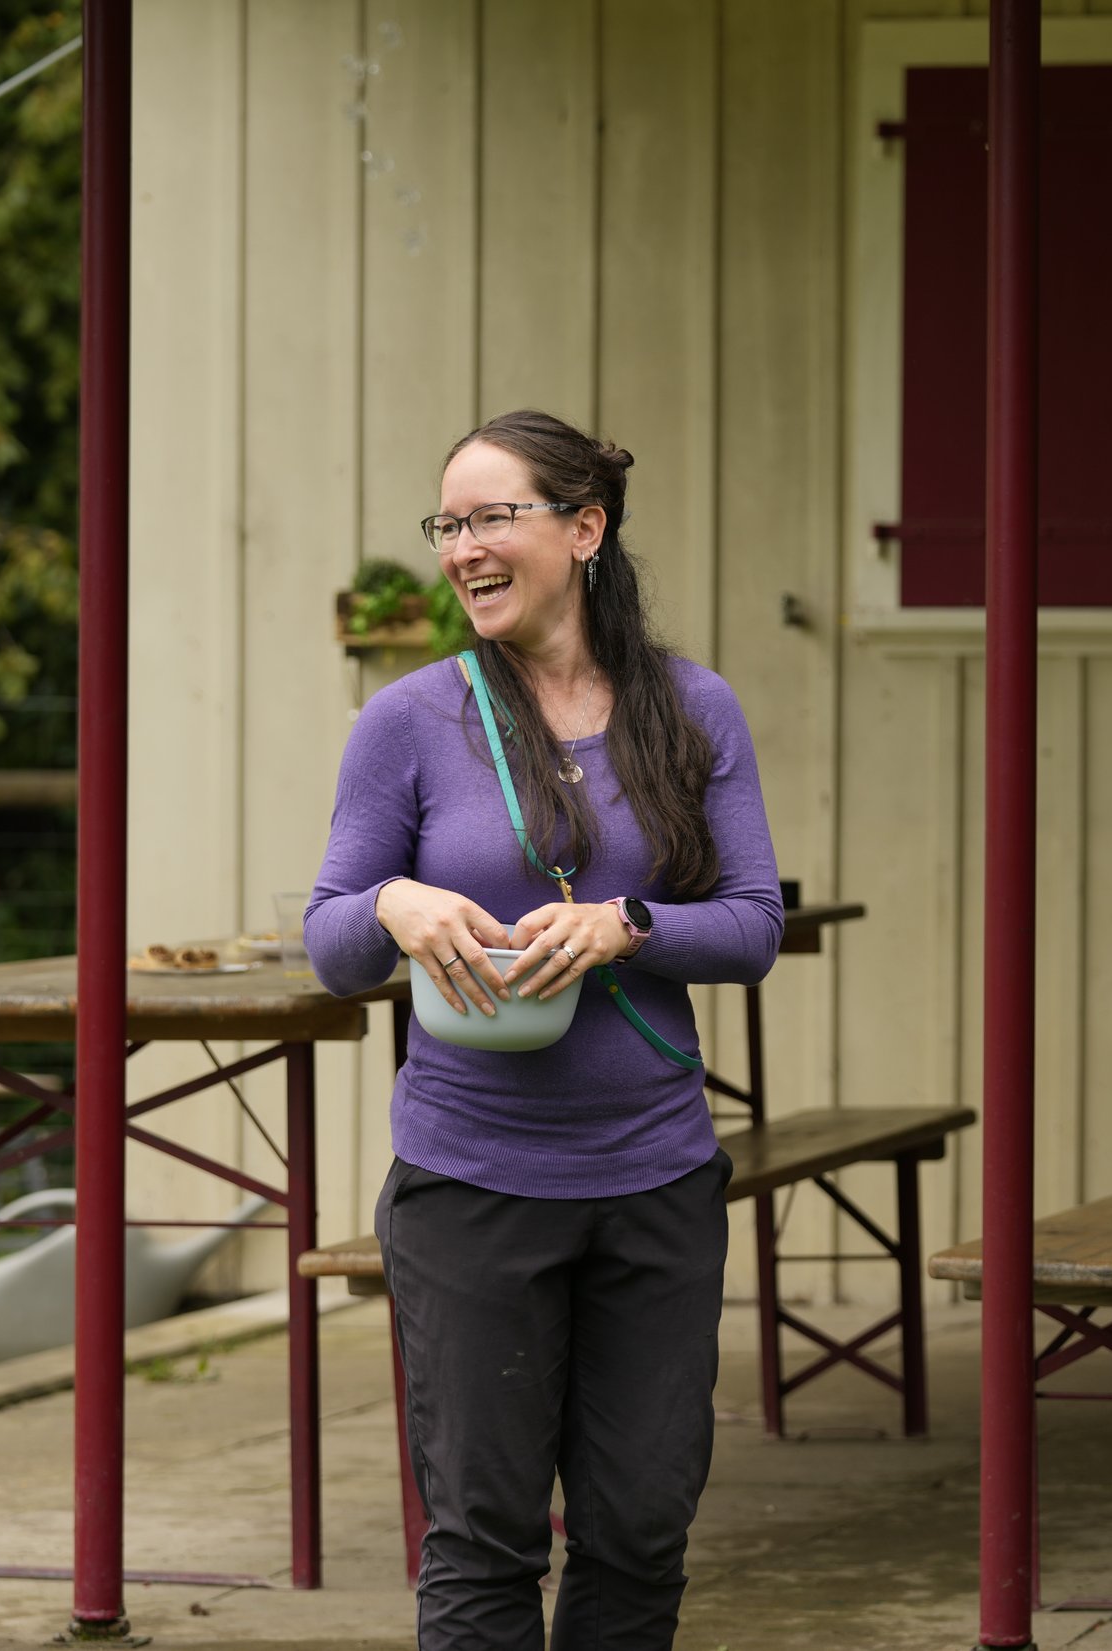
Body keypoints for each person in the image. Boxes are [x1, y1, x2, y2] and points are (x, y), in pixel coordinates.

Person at [305, 408, 783, 1649]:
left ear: (583, 529)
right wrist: (393, 902)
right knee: (484, 1540)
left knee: (640, 1531)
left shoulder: (692, 707)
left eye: (491, 517)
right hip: (471, 1190)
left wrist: (629, 924)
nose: (462, 547)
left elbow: (752, 926)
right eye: (447, 524)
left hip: (655, 1182)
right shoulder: (409, 719)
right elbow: (331, 942)